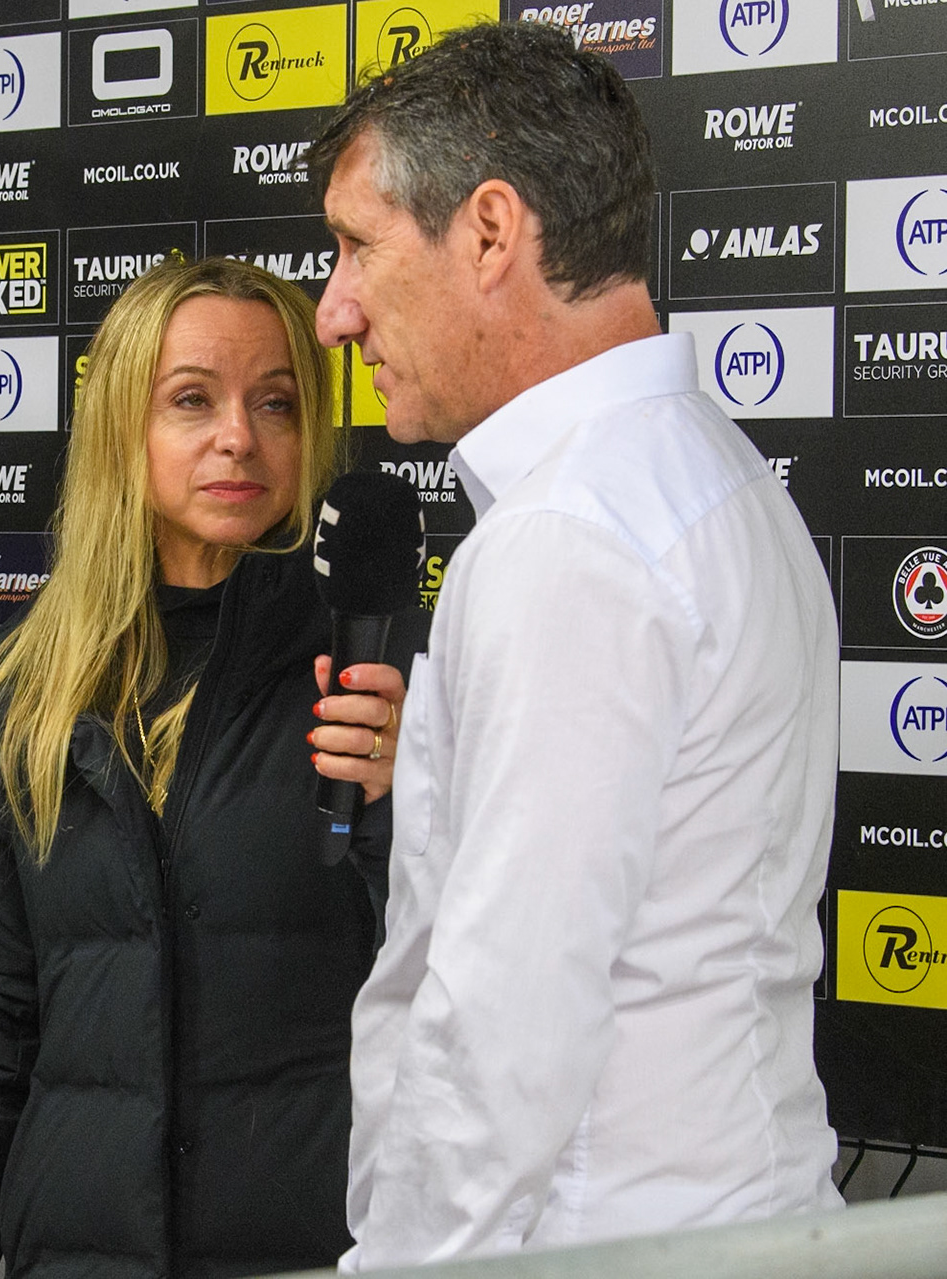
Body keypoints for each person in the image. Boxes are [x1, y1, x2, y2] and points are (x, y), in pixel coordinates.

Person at [310, 24, 843, 1269]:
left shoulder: (572, 535)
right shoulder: (713, 479)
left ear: (492, 233)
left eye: (355, 247)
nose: (333, 311)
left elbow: (502, 1026)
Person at [0, 256, 411, 1279]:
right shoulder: (38, 679)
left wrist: (401, 810)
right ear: (125, 425)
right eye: (192, 400)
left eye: (277, 403)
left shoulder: (373, 677)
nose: (238, 436)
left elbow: (463, 988)